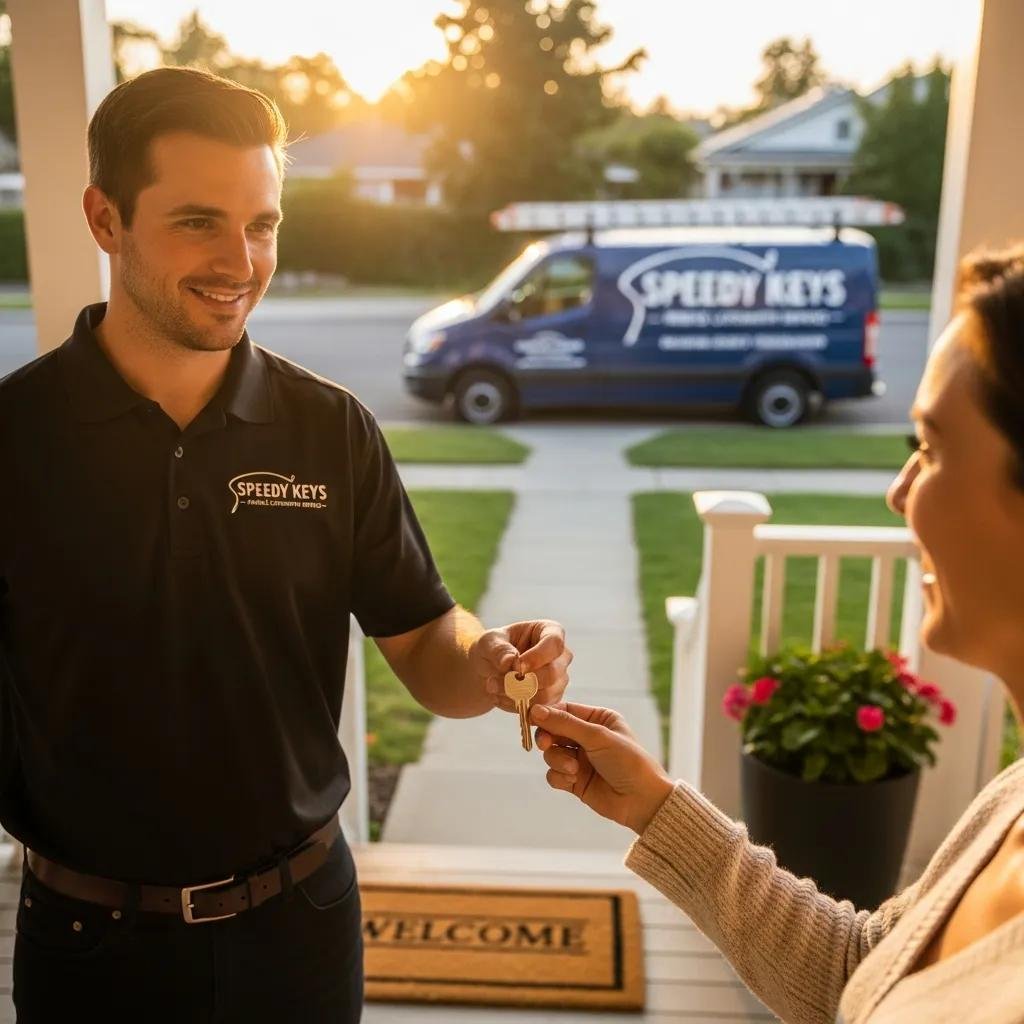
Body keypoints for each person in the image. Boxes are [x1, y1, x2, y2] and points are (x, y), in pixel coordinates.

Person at [0, 66, 571, 1022]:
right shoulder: (15, 437)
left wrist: (488, 658)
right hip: (88, 946)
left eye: (261, 223)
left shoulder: (330, 430)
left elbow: (424, 638)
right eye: (198, 221)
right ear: (105, 219)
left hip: (300, 928)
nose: (241, 258)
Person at [530, 245, 1024, 1023]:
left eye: (929, 449)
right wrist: (657, 807)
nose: (900, 495)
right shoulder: (1012, 802)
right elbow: (862, 975)